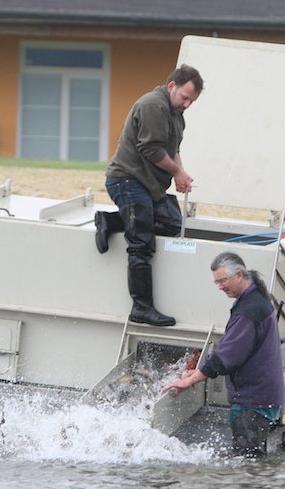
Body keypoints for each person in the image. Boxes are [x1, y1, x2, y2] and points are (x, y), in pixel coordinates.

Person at [95, 64, 204, 327]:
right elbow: (152, 150)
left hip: (148, 186)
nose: (187, 104)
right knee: (141, 243)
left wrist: (181, 173)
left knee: (171, 223)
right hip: (127, 180)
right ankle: (141, 308)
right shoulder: (153, 106)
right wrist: (176, 172)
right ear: (171, 87)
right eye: (185, 97)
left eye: (192, 100)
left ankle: (110, 222)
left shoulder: (177, 114)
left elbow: (173, 148)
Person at [161, 252, 285, 456]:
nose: (220, 286)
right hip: (263, 397)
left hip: (253, 401)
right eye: (217, 282)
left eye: (223, 280)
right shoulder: (257, 296)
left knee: (246, 465)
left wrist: (190, 380)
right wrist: (196, 372)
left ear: (239, 275)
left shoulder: (249, 311)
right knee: (253, 465)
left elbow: (228, 355)